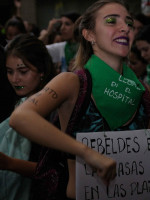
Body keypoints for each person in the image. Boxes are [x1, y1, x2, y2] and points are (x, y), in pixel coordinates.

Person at [9, 0, 150, 199]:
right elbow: (20, 118)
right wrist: (87, 153)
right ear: (89, 34)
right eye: (111, 21)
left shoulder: (142, 91)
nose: (124, 28)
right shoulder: (72, 82)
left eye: (128, 22)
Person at [0, 33, 56, 200]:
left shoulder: (54, 112)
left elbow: (55, 169)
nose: (15, 79)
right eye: (9, 72)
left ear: (42, 71)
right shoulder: (16, 102)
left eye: (23, 71)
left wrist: (9, 163)